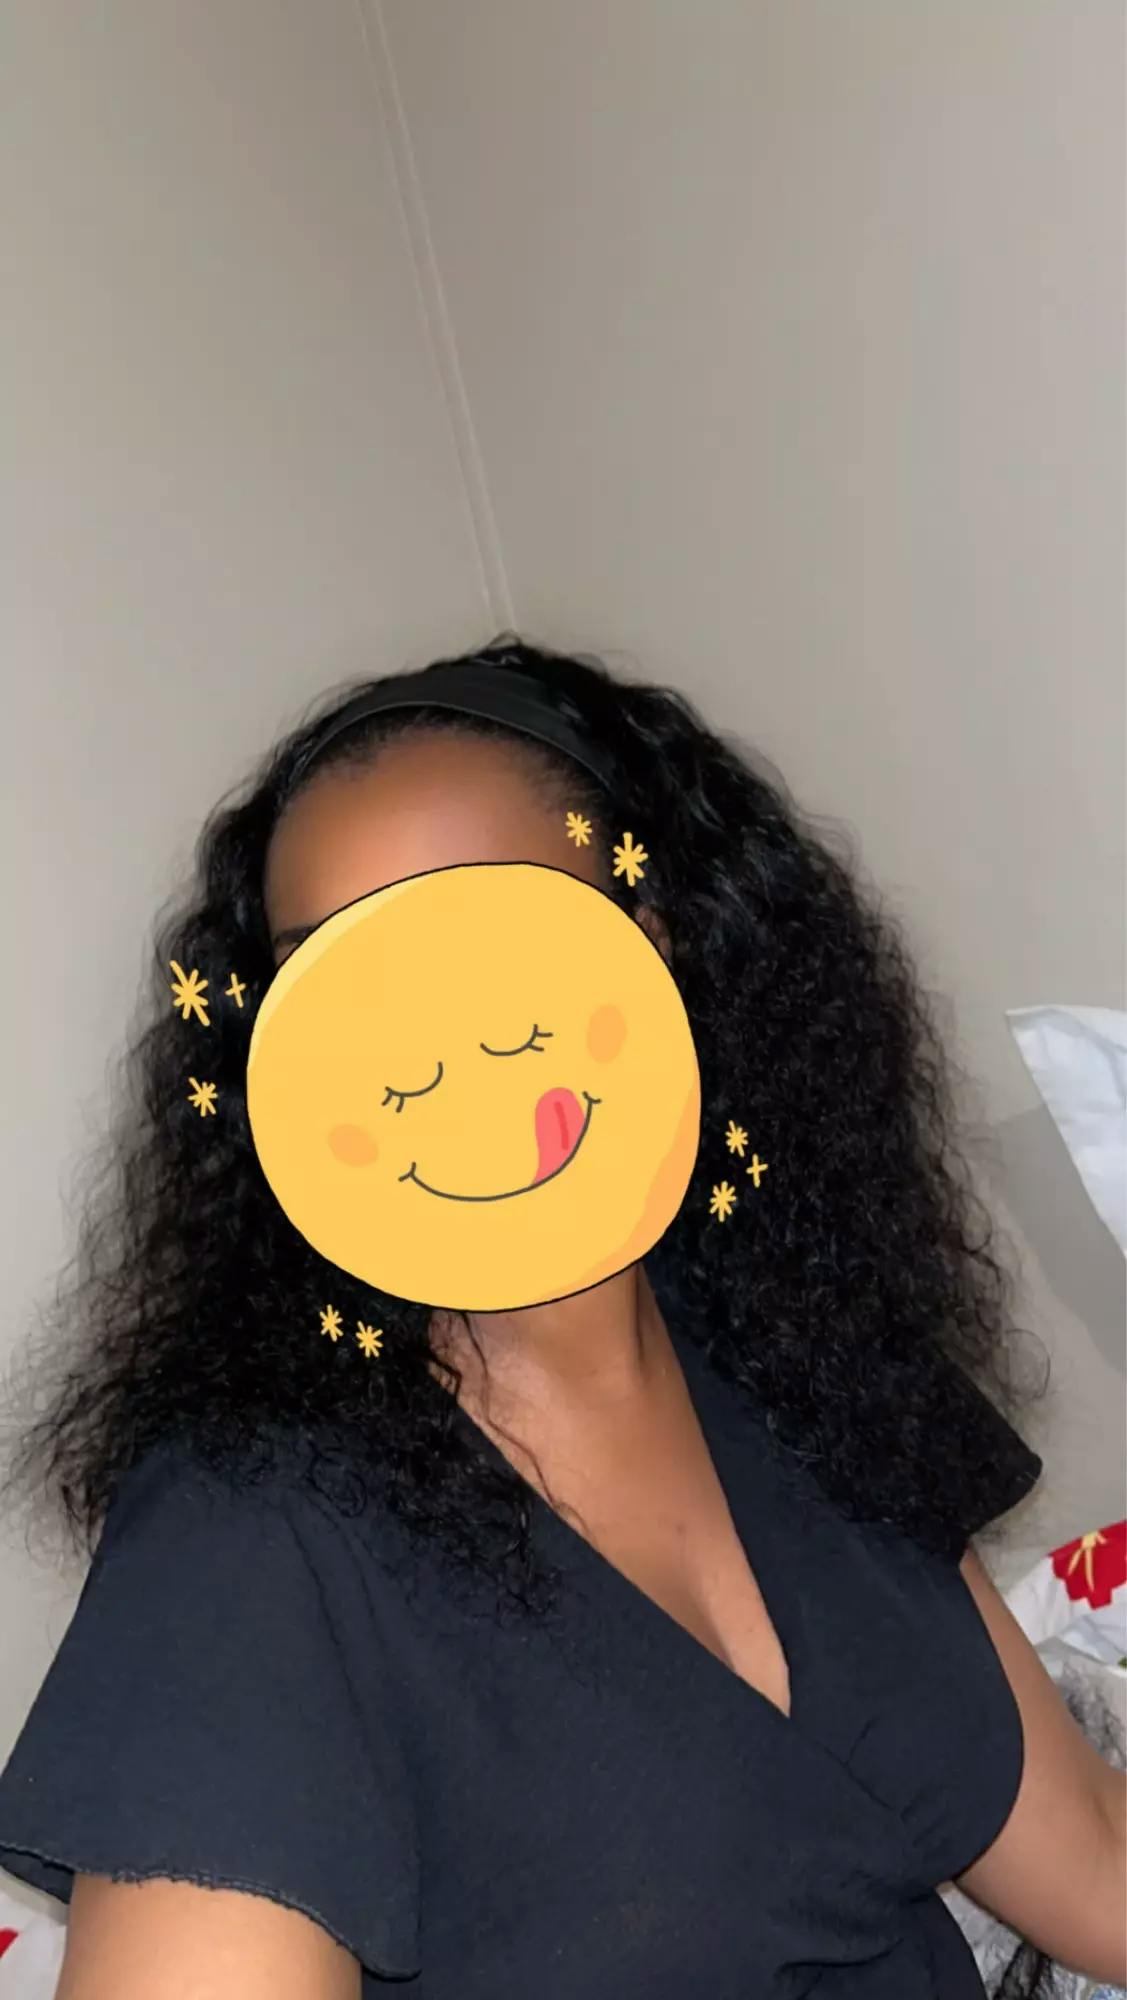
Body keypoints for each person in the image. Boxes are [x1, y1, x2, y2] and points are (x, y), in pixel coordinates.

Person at [0, 636, 1123, 1998]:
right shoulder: (250, 1538)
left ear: (655, 941)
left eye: (493, 941)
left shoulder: (811, 1361)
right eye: (336, 980)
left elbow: (1095, 1862)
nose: (429, 1057)